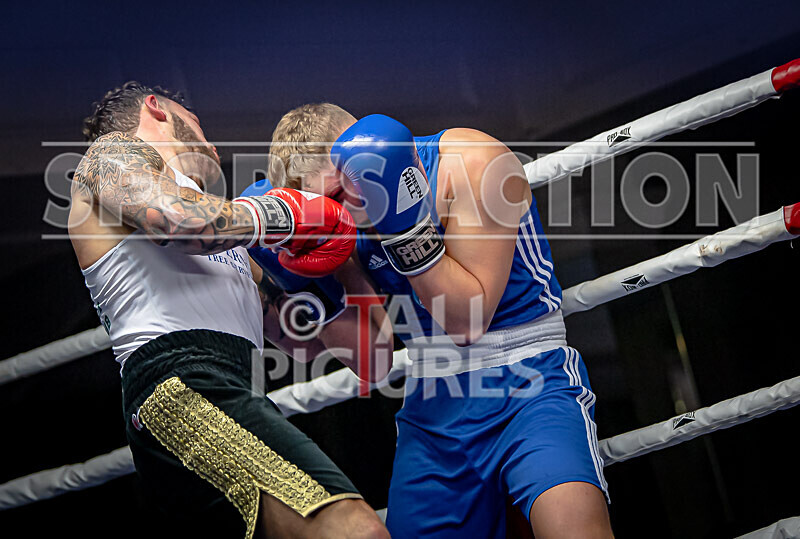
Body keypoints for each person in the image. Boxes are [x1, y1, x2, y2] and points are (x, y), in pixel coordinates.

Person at [267, 103, 614, 538]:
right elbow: (373, 361)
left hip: (531, 381)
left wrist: (403, 224)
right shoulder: (340, 225)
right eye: (323, 212)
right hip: (435, 401)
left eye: (338, 196)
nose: (342, 220)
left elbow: (468, 321)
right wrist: (283, 294)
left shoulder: (470, 161)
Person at [69, 83, 389, 539]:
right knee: (356, 530)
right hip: (181, 387)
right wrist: (285, 214)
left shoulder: (235, 245)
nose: (210, 138)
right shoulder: (111, 155)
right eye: (195, 118)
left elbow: (329, 349)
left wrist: (341, 262)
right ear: (156, 108)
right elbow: (177, 221)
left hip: (230, 389)